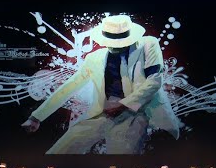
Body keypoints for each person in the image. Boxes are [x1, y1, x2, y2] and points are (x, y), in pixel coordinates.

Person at [21, 15, 180, 154]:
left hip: (135, 115)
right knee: (57, 152)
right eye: (112, 41)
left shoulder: (148, 45)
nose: (116, 46)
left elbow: (154, 81)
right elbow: (69, 87)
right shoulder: (94, 58)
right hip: (99, 114)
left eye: (121, 41)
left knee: (119, 163)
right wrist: (36, 117)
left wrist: (123, 105)